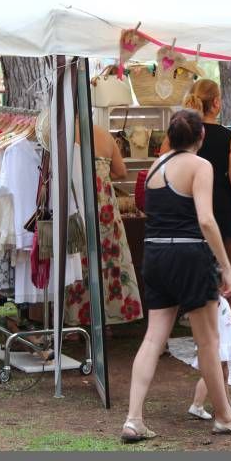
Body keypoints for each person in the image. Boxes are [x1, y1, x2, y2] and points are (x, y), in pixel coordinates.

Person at [122, 110, 231, 442]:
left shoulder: (155, 166)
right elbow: (207, 220)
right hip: (189, 254)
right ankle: (225, 415)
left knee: (153, 338)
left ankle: (133, 418)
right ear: (201, 138)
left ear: (170, 136)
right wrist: (226, 266)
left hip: (155, 253)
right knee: (209, 341)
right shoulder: (200, 166)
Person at [184, 80, 231, 325]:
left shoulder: (183, 133)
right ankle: (230, 321)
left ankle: (199, 319)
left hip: (189, 206)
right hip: (222, 206)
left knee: (197, 266)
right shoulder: (228, 138)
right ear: (216, 103)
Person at [65, 121, 142, 328]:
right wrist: (101, 173)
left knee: (78, 259)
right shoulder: (104, 135)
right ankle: (107, 318)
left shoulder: (67, 132)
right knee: (107, 260)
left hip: (78, 203)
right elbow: (121, 171)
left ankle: (76, 320)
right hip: (105, 206)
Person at [188, 295, 231, 420]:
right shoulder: (212, 298)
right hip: (218, 342)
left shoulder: (220, 298)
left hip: (224, 339)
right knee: (213, 373)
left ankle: (227, 401)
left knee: (224, 370)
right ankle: (197, 404)